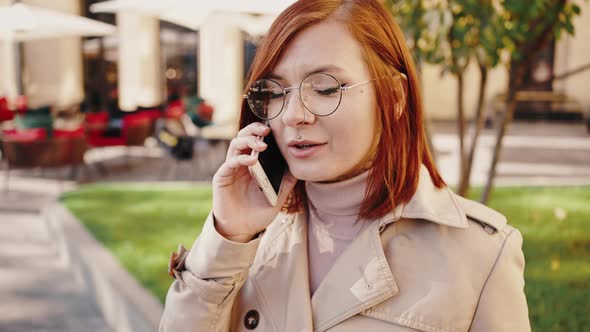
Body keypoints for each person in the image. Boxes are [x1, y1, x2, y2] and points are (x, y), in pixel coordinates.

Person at [159, 0, 530, 331]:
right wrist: (228, 236)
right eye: (275, 92)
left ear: (395, 96)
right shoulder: (251, 238)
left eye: (325, 88)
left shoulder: (480, 256)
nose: (293, 115)